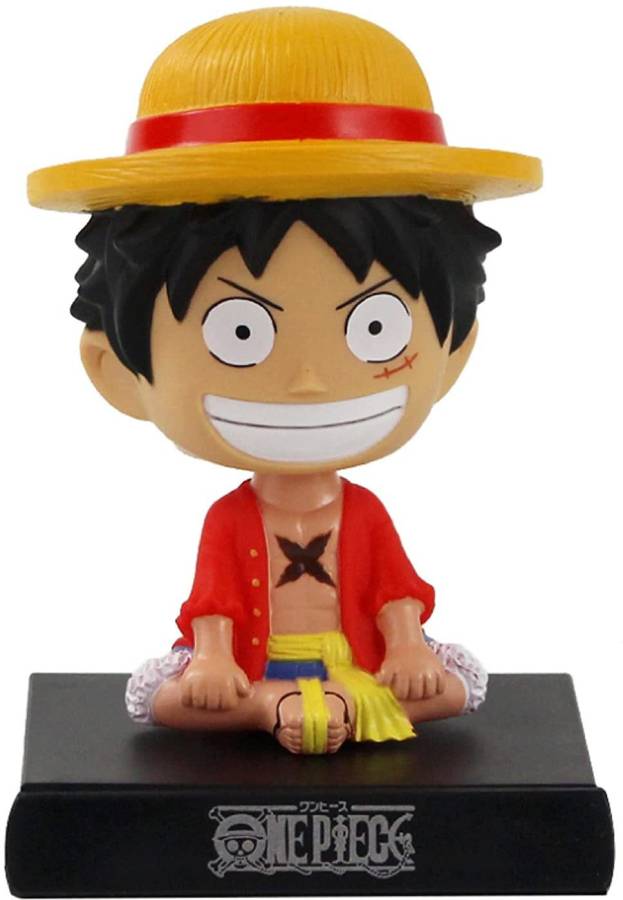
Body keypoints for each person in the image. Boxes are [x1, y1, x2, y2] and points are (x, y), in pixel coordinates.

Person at [27, 7, 541, 754]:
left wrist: (405, 648)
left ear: (453, 353)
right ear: (117, 372)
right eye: (240, 334)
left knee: (457, 685)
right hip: (253, 666)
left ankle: (319, 703)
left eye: (375, 327)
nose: (306, 381)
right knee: (164, 699)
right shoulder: (230, 520)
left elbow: (396, 595)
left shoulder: (364, 513)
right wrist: (213, 664)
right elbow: (212, 611)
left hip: (355, 660)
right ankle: (272, 705)